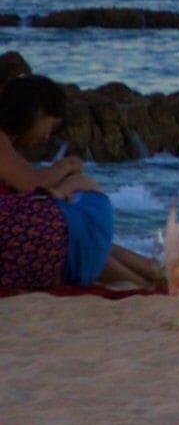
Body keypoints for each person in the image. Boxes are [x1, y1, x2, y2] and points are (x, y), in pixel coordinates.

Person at [2, 76, 157, 293]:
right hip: (13, 241)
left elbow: (26, 188)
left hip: (14, 241)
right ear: (37, 112)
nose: (47, 136)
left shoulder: (9, 149)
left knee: (85, 239)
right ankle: (155, 281)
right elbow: (29, 183)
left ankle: (156, 276)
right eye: (49, 126)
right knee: (81, 234)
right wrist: (67, 166)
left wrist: (59, 188)